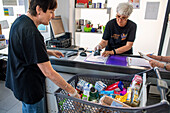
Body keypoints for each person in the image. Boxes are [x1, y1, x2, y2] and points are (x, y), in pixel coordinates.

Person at [5, 0, 80, 113]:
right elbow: (48, 72)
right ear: (39, 10)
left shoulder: (19, 22)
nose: (53, 16)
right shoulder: (33, 33)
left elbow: (25, 47)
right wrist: (72, 91)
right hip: (31, 89)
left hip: (19, 84)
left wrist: (48, 51)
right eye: (51, 11)